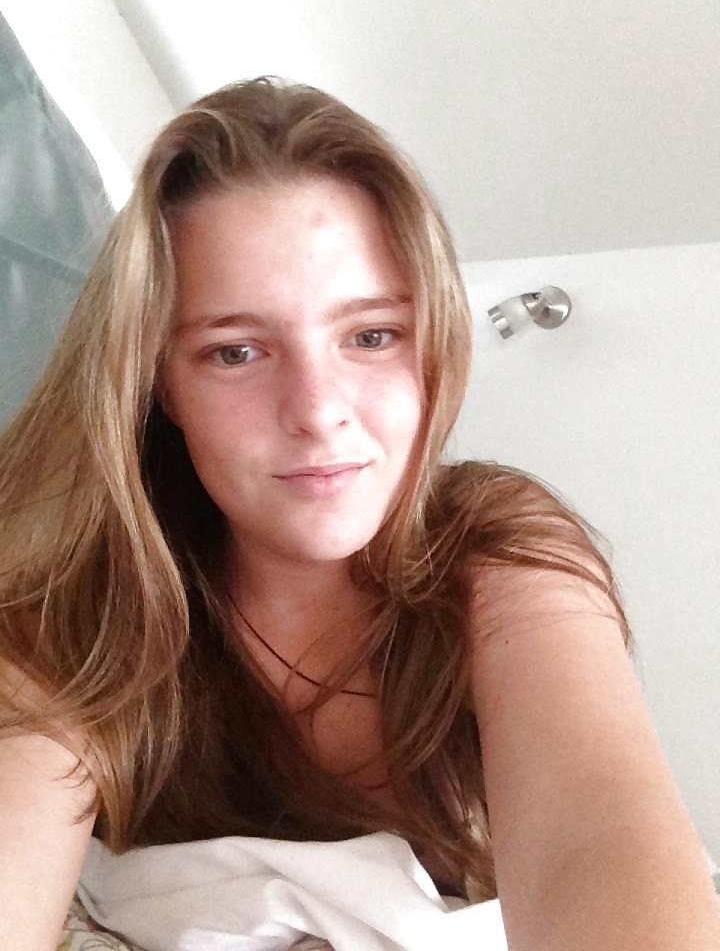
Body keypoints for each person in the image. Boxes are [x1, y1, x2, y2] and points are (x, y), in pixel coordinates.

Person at [0, 76, 717, 951]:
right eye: (235, 352)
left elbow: (591, 841)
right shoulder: (74, 612)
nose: (318, 410)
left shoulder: (493, 550)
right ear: (160, 385)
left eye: (371, 336)